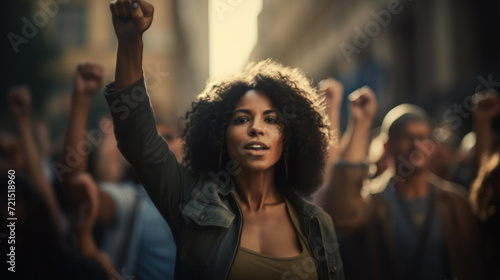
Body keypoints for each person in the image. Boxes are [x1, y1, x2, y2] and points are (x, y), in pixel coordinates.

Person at [104, 1, 344, 279]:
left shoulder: (316, 223)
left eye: (271, 119)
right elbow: (138, 140)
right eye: (242, 119)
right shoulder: (191, 200)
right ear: (220, 135)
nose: (256, 128)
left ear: (290, 137)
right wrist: (131, 41)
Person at [319, 90, 479, 280]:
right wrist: (361, 123)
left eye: (423, 137)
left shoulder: (454, 201)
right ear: (388, 146)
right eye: (407, 137)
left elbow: (476, 264)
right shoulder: (373, 202)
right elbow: (342, 217)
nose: (416, 144)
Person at [57, 62, 177, 279]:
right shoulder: (134, 200)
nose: (159, 146)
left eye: (168, 137)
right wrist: (82, 101)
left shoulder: (214, 199)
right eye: (152, 141)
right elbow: (75, 186)